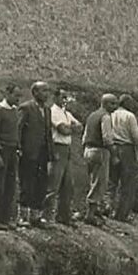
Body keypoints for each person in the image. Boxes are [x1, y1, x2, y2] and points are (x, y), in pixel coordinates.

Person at [17, 81, 54, 228]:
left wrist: (51, 152)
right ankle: (22, 216)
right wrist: (19, 148)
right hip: (29, 152)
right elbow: (19, 129)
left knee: (41, 183)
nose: (47, 94)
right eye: (43, 91)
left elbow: (48, 132)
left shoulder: (47, 110)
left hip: (43, 153)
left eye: (48, 91)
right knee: (27, 182)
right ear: (35, 93)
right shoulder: (26, 108)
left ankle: (36, 215)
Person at [0, 84, 22, 230]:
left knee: (10, 186)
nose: (18, 99)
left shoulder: (14, 111)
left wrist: (18, 148)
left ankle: (5, 219)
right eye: (15, 95)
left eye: (19, 96)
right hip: (2, 151)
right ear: (7, 93)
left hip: (12, 151)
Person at [44, 89, 80, 225]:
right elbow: (62, 130)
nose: (65, 100)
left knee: (68, 184)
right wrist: (70, 128)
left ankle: (63, 215)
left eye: (66, 97)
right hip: (57, 147)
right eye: (62, 97)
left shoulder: (67, 113)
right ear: (55, 97)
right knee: (53, 183)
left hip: (67, 148)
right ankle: (47, 215)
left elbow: (79, 126)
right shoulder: (53, 111)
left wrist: (69, 127)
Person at [82, 93, 118, 225]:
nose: (115, 106)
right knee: (99, 182)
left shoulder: (92, 115)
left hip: (88, 149)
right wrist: (114, 154)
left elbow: (85, 135)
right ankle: (90, 214)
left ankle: (93, 209)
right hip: (100, 150)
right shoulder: (105, 117)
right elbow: (107, 138)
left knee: (92, 180)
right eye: (113, 103)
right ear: (106, 103)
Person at [109, 94, 138, 222]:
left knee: (111, 181)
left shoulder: (110, 114)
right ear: (127, 103)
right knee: (128, 182)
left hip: (112, 147)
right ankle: (122, 214)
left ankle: (107, 209)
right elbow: (136, 137)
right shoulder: (129, 116)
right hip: (126, 148)